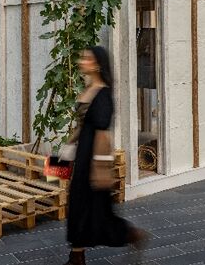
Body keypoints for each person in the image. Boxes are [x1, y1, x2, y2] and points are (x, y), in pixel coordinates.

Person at [65, 46, 146, 264]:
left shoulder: (102, 94)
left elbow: (103, 134)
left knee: (97, 211)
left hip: (93, 158)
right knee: (79, 205)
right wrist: (67, 147)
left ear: (98, 64)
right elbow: (82, 125)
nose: (82, 60)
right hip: (83, 154)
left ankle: (130, 234)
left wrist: (99, 168)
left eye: (87, 58)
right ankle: (77, 255)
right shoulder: (89, 89)